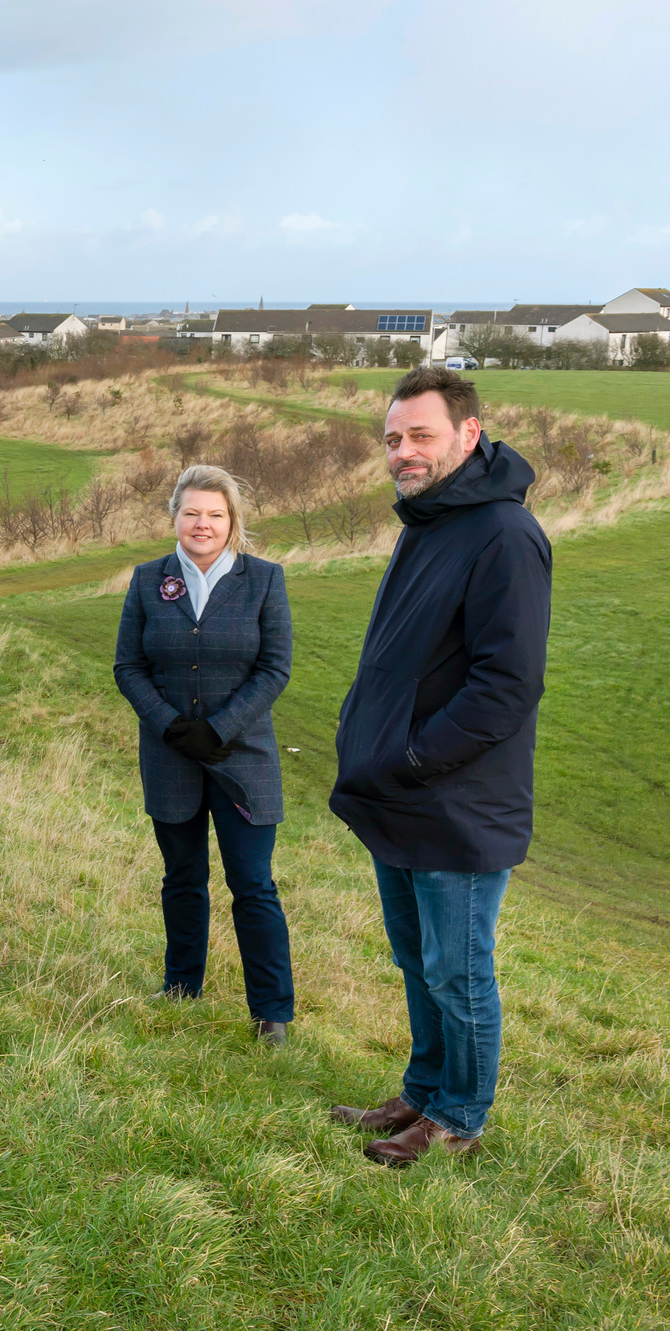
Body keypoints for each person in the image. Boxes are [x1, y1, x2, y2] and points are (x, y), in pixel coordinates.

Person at [328, 367, 550, 1167]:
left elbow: (507, 686)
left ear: (469, 434)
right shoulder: (429, 520)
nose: (403, 452)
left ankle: (457, 1115)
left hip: (456, 801)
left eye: (420, 435)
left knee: (458, 972)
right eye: (393, 438)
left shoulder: (504, 535)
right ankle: (422, 1089)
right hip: (401, 793)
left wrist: (416, 755)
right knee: (416, 959)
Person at [113, 464, 296, 1044]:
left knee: (253, 882)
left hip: (243, 761)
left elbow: (274, 669)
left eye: (215, 514)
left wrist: (219, 728)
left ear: (232, 521)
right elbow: (127, 666)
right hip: (170, 757)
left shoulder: (264, 580)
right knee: (183, 876)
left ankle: (272, 1012)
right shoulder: (147, 581)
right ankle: (181, 985)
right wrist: (169, 726)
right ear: (174, 516)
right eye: (192, 512)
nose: (202, 523)